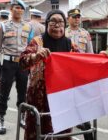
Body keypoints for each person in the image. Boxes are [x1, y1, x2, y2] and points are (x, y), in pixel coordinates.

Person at [19, 9, 75, 140]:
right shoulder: (38, 42)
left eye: (61, 22)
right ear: (47, 24)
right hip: (40, 98)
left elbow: (83, 61)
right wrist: (35, 56)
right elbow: (22, 62)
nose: (57, 25)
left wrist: (101, 57)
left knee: (62, 132)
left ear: (65, 24)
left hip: (63, 96)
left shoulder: (70, 44)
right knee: (38, 131)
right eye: (53, 22)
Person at [0, 0, 34, 135]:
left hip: (22, 64)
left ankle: (21, 118)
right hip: (8, 63)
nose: (19, 10)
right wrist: (1, 65)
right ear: (11, 9)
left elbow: (30, 46)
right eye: (16, 7)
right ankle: (1, 119)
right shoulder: (3, 26)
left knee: (22, 93)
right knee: (4, 92)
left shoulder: (28, 27)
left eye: (21, 8)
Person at [65, 8, 94, 140]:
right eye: (74, 17)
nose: (77, 19)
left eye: (78, 17)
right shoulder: (63, 33)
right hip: (66, 74)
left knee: (84, 106)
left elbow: (90, 54)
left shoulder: (85, 33)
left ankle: (88, 135)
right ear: (68, 18)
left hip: (81, 74)